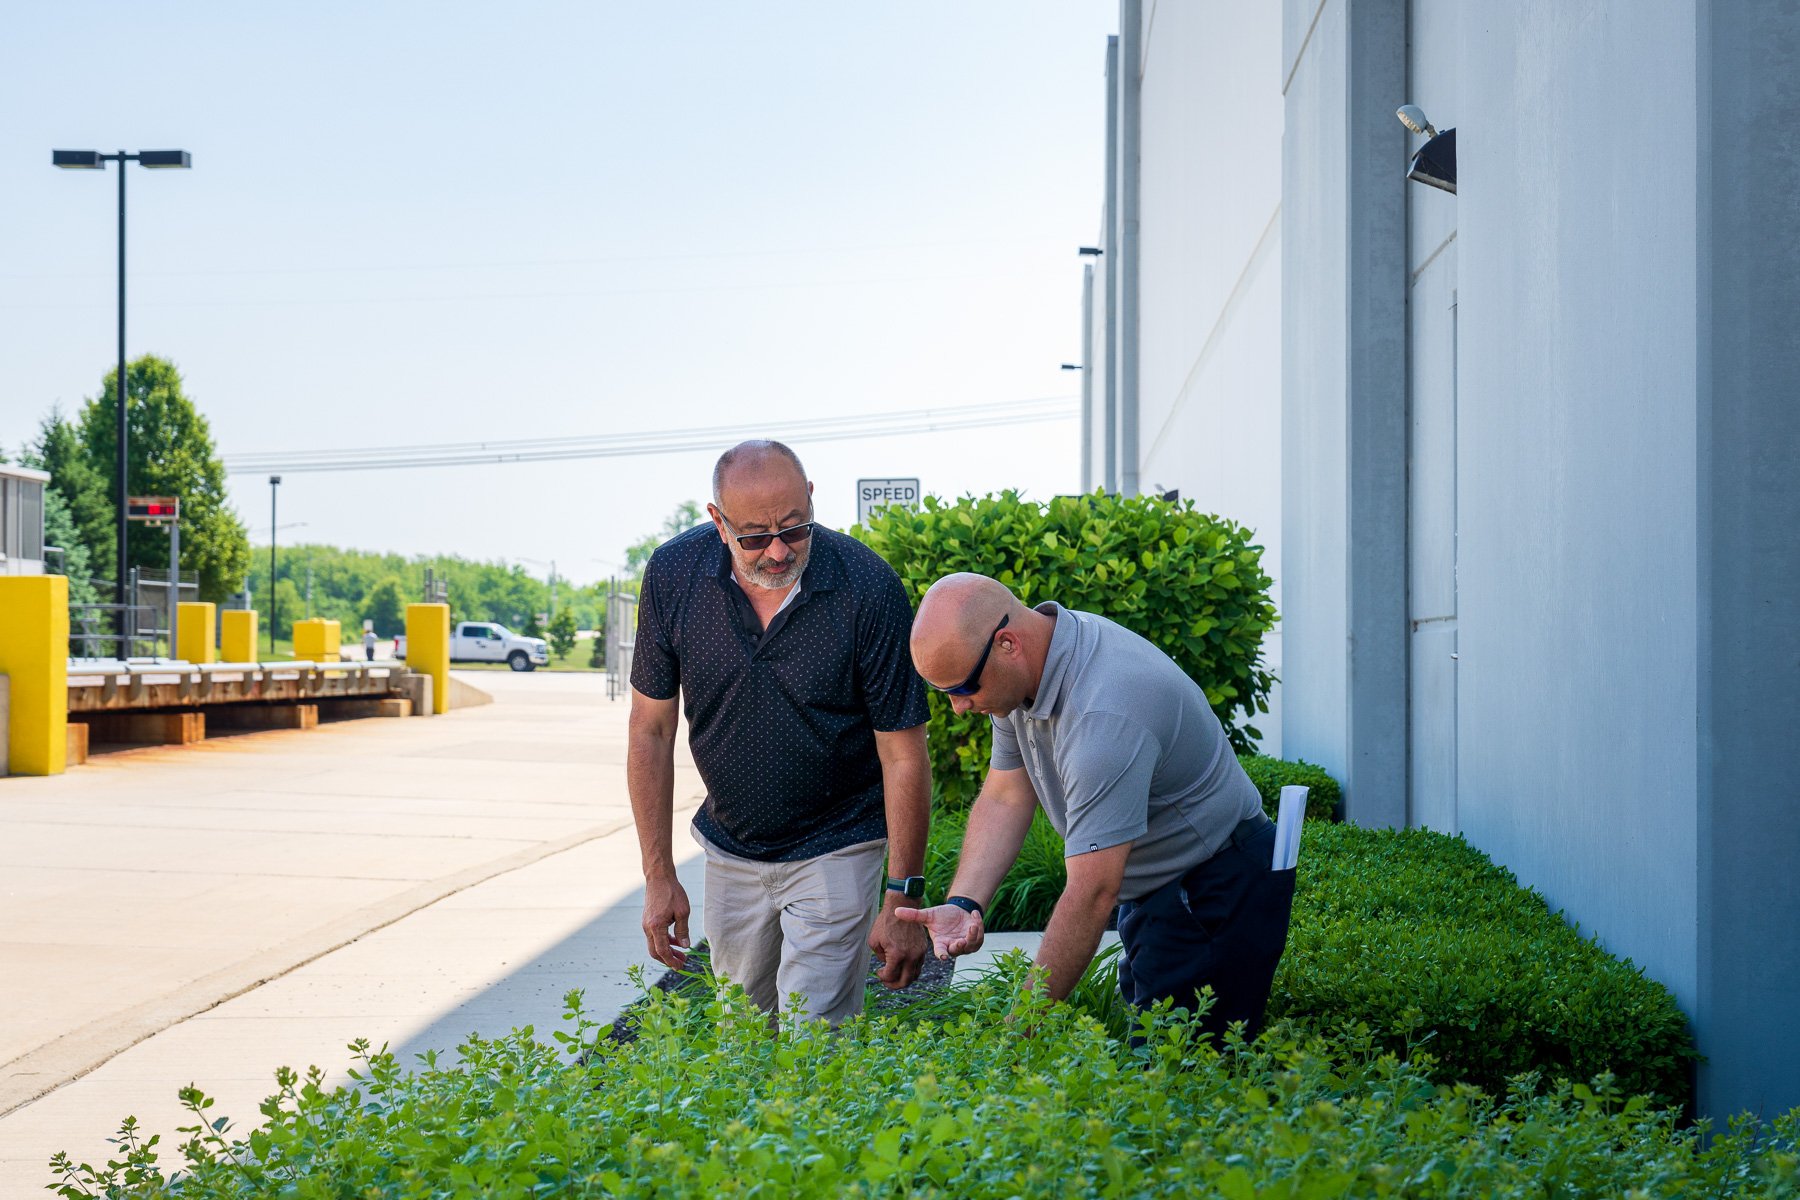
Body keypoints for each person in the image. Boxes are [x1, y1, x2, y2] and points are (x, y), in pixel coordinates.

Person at [898, 573, 1295, 1038]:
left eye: (962, 690)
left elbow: (1091, 894)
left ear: (1007, 643)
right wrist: (965, 903)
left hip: (1213, 890)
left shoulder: (1104, 715)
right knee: (1154, 1050)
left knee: (1185, 1075)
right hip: (1162, 882)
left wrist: (1017, 1033)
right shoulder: (1025, 673)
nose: (958, 709)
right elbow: (1006, 793)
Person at [627, 440, 932, 1025]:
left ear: (812, 499)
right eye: (754, 535)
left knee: (813, 1035)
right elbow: (651, 729)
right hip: (731, 845)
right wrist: (658, 875)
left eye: (795, 528)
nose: (777, 550)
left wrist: (903, 896)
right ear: (717, 522)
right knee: (742, 1031)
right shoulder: (673, 576)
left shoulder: (867, 587)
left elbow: (903, 754)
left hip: (837, 840)